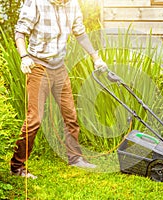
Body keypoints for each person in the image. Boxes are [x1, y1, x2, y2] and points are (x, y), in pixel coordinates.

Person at [10, 0, 107, 179]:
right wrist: (24, 56)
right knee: (35, 119)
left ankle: (75, 158)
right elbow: (20, 32)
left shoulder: (72, 4)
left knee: (70, 115)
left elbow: (80, 33)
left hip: (59, 68)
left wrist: (96, 57)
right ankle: (17, 166)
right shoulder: (36, 3)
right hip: (38, 67)